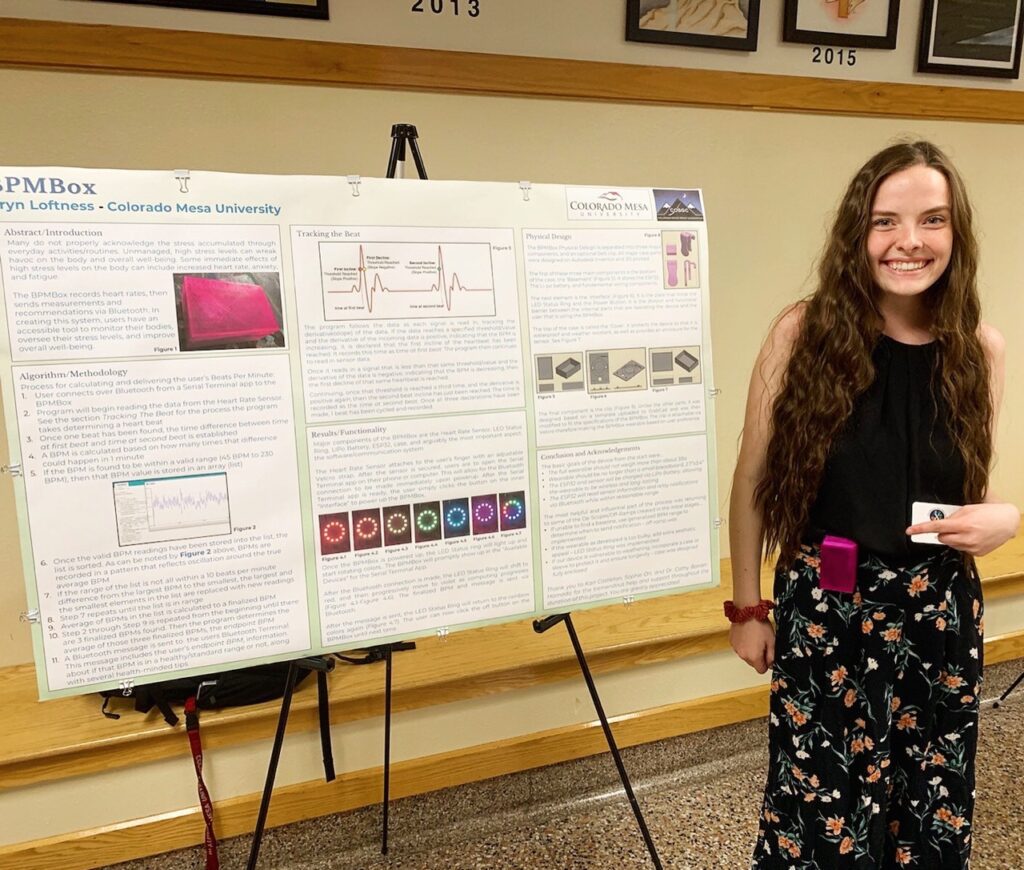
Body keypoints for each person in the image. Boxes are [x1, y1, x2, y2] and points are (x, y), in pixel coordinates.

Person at [726, 140, 1020, 868]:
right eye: (886, 221)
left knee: (929, 810)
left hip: (938, 616)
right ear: (858, 231)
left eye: (932, 220)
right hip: (829, 612)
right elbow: (751, 481)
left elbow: (966, 498)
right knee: (821, 811)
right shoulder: (803, 332)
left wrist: (1006, 519)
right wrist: (746, 606)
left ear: (957, 234)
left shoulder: (981, 350)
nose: (910, 242)